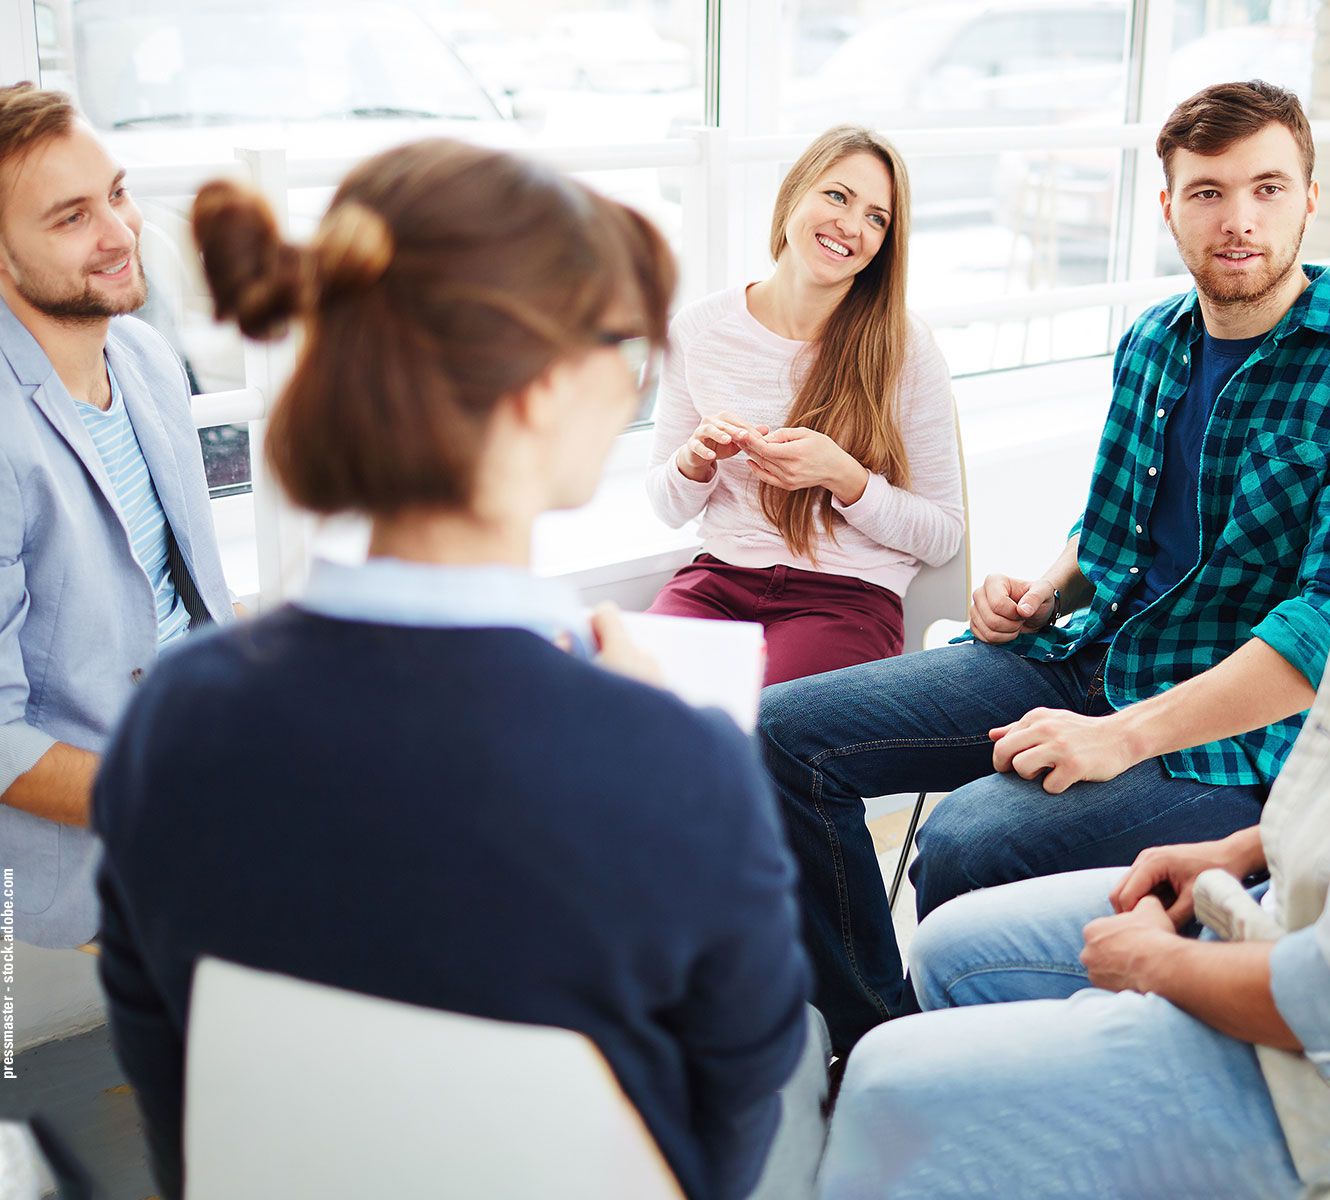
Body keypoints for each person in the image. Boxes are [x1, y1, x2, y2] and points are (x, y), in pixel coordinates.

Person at [819, 105, 1330, 1199]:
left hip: (1301, 1090)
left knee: (892, 1085)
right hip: (1266, 887)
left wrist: (1162, 965)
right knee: (948, 953)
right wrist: (1247, 852)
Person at [93, 140, 814, 1200]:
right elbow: (725, 1128)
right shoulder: (678, 768)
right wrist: (656, 738)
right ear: (533, 394)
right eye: (618, 343)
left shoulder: (171, 723)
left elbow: (176, 1093)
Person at [760, 81, 1330, 1055]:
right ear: (1166, 208)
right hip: (1085, 657)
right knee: (785, 734)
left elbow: (1327, 627)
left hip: (1228, 740)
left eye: (1266, 189)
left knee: (964, 842)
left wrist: (1117, 737)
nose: (1237, 220)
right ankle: (875, 1041)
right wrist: (1043, 588)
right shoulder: (1154, 340)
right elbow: (1109, 526)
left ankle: (980, 1062)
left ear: (1310, 200)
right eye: (1205, 193)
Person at [0, 83, 232, 951]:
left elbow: (181, 598)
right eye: (70, 218)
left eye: (118, 193)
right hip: (108, 812)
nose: (120, 233)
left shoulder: (139, 355)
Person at [645, 125, 963, 687]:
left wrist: (845, 478)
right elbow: (667, 507)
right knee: (632, 704)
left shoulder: (906, 349)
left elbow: (942, 534)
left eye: (876, 217)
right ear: (795, 193)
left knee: (768, 729)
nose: (850, 224)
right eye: (837, 195)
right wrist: (694, 462)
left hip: (847, 600)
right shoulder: (699, 330)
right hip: (720, 582)